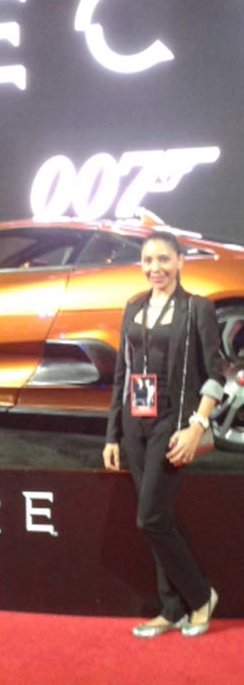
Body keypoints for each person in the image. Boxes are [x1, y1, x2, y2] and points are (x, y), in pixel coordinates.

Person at [102, 231, 226, 638]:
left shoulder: (197, 309)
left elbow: (217, 376)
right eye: (148, 260)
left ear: (180, 262)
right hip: (135, 424)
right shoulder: (133, 306)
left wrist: (197, 426)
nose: (155, 268)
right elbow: (122, 373)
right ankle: (171, 608)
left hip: (173, 424)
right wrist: (112, 435)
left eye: (164, 260)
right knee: (159, 517)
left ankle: (200, 596)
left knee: (150, 517)